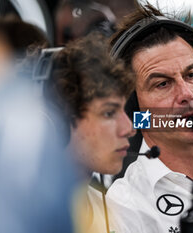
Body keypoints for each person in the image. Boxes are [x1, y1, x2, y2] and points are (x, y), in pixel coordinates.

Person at [106, 3, 193, 233]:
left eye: (191, 75)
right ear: (132, 109)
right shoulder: (124, 207)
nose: (186, 95)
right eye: (162, 84)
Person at [45, 32, 135, 233]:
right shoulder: (17, 216)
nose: (129, 128)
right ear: (58, 120)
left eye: (123, 110)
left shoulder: (107, 210)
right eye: (109, 112)